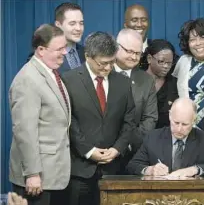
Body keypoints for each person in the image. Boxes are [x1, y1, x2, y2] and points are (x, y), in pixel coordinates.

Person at [61, 31, 136, 205]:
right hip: (79, 171)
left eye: (112, 62)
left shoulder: (123, 82)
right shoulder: (69, 80)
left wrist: (117, 149)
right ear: (88, 56)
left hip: (114, 169)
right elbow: (69, 122)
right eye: (103, 63)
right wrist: (89, 151)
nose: (108, 68)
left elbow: (129, 120)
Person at [9, 24, 70, 205]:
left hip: (54, 175)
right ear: (41, 50)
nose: (65, 52)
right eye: (59, 49)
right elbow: (24, 131)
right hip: (38, 179)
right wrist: (33, 173)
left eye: (65, 47)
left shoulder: (51, 73)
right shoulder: (28, 79)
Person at [126, 98, 204, 177]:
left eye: (185, 124)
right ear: (170, 116)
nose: (179, 128)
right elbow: (132, 166)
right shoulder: (153, 137)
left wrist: (194, 170)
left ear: (194, 121)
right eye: (176, 122)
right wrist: (150, 170)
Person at [172, 18, 204, 152]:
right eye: (192, 39)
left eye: (203, 37)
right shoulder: (183, 62)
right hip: (187, 127)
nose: (198, 43)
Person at [114, 28, 158, 174]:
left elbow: (150, 118)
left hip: (133, 154)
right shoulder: (102, 72)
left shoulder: (146, 80)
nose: (133, 57)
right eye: (129, 51)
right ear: (116, 46)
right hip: (103, 153)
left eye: (137, 53)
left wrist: (125, 143)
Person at [140, 39, 179, 128]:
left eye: (169, 63)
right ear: (149, 58)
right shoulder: (136, 81)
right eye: (161, 61)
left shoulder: (174, 84)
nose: (166, 66)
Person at [54, 2, 85, 72]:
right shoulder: (46, 55)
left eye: (81, 23)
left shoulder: (87, 53)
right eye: (72, 24)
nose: (78, 28)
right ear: (58, 25)